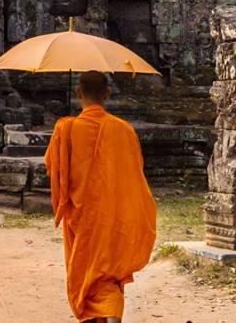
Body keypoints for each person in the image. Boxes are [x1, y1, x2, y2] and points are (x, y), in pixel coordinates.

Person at [43, 71, 158, 322]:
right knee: (108, 271)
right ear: (107, 95)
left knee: (86, 272)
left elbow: (54, 168)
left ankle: (102, 314)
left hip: (81, 216)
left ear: (78, 93)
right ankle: (111, 313)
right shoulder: (124, 130)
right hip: (114, 215)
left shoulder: (66, 129)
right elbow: (135, 171)